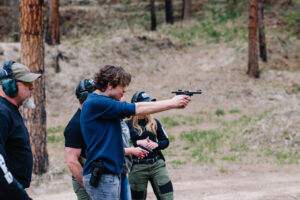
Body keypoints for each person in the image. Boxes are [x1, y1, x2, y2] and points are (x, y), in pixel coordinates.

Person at [81, 65, 191, 200]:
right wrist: (172, 103)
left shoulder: (100, 103)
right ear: (110, 85)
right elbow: (137, 108)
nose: (125, 90)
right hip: (103, 174)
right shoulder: (98, 103)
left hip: (109, 173)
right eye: (122, 86)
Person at [0, 60, 41, 200]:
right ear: (9, 85)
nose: (32, 87)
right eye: (27, 83)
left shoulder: (8, 111)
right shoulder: (2, 113)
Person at [127, 91, 173, 200]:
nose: (149, 107)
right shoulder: (126, 125)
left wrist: (156, 144)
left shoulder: (154, 122)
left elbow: (165, 141)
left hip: (157, 165)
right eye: (145, 104)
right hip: (137, 167)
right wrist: (138, 143)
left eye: (149, 104)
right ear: (137, 106)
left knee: (167, 196)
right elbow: (120, 144)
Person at [64, 79, 95, 200]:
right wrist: (88, 185)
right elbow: (71, 161)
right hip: (86, 180)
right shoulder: (75, 125)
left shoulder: (94, 118)